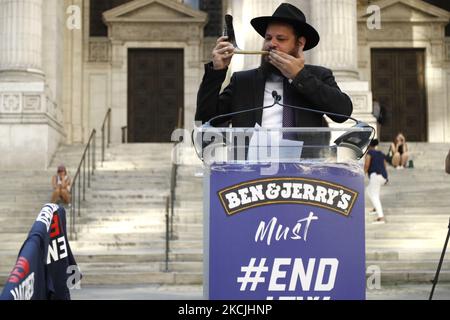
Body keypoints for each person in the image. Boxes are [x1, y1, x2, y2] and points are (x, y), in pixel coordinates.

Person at [195, 3, 353, 130]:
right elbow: (206, 120)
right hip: (252, 168)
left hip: (304, 168)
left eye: (281, 39)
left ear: (300, 43)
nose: (271, 44)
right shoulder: (243, 80)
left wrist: (299, 76)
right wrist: (217, 71)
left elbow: (342, 113)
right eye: (268, 38)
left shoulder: (318, 76)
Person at [365, 139, 388, 224]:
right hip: (383, 176)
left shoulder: (370, 153)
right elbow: (385, 165)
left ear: (369, 146)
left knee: (374, 196)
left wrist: (362, 175)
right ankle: (376, 208)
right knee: (368, 190)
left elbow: (367, 165)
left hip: (375, 176)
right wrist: (386, 179)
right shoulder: (381, 153)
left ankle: (381, 217)